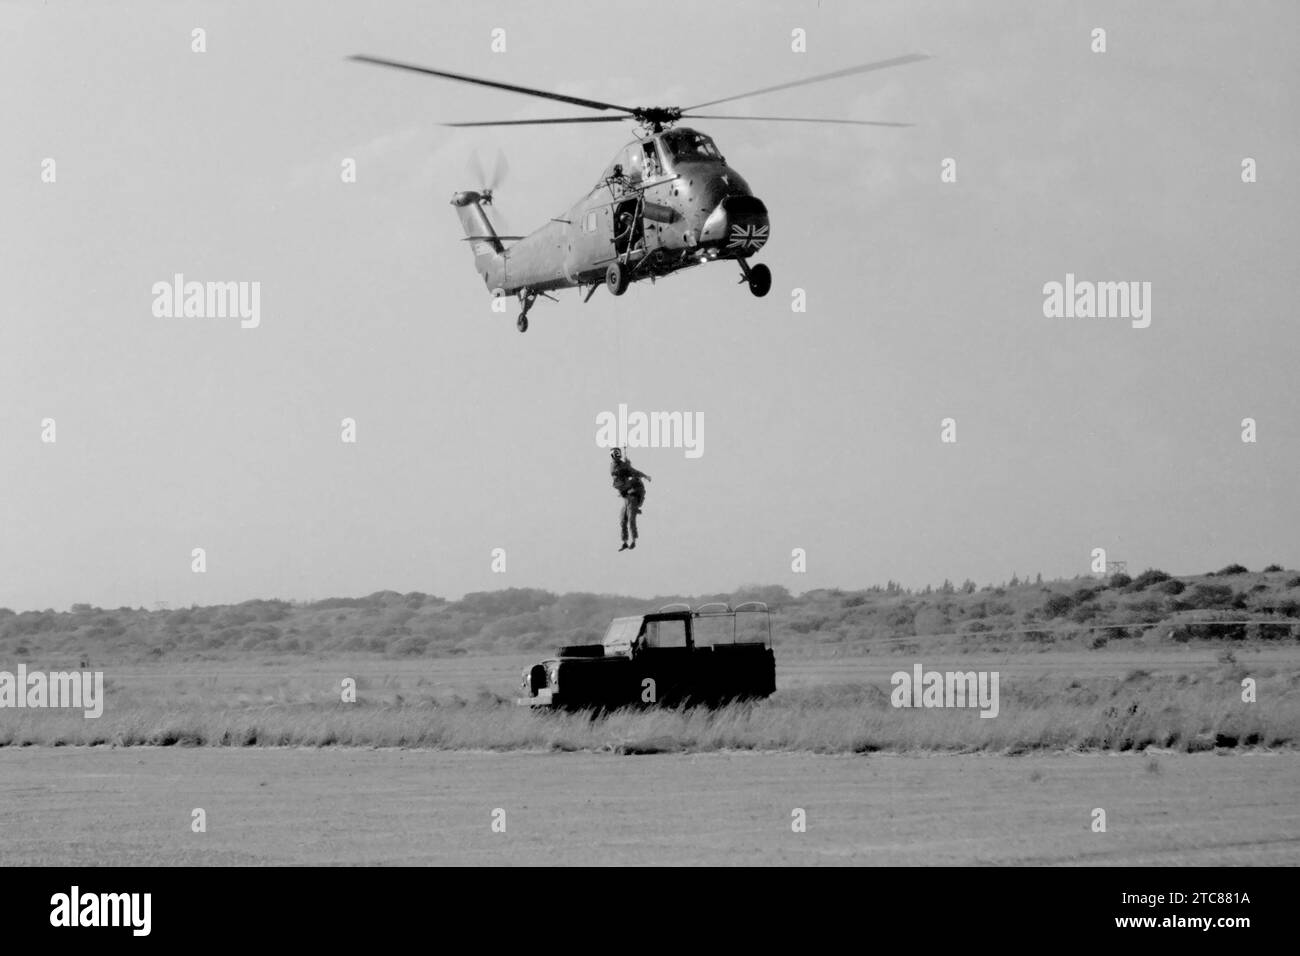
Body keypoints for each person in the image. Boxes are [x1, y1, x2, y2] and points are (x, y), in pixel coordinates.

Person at [609, 448, 650, 551]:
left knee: (631, 519)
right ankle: (625, 542)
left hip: (632, 498)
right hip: (626, 499)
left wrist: (644, 476)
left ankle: (634, 540)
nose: (617, 456)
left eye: (618, 454)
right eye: (615, 454)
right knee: (622, 520)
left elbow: (634, 472)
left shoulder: (624, 467)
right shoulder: (614, 466)